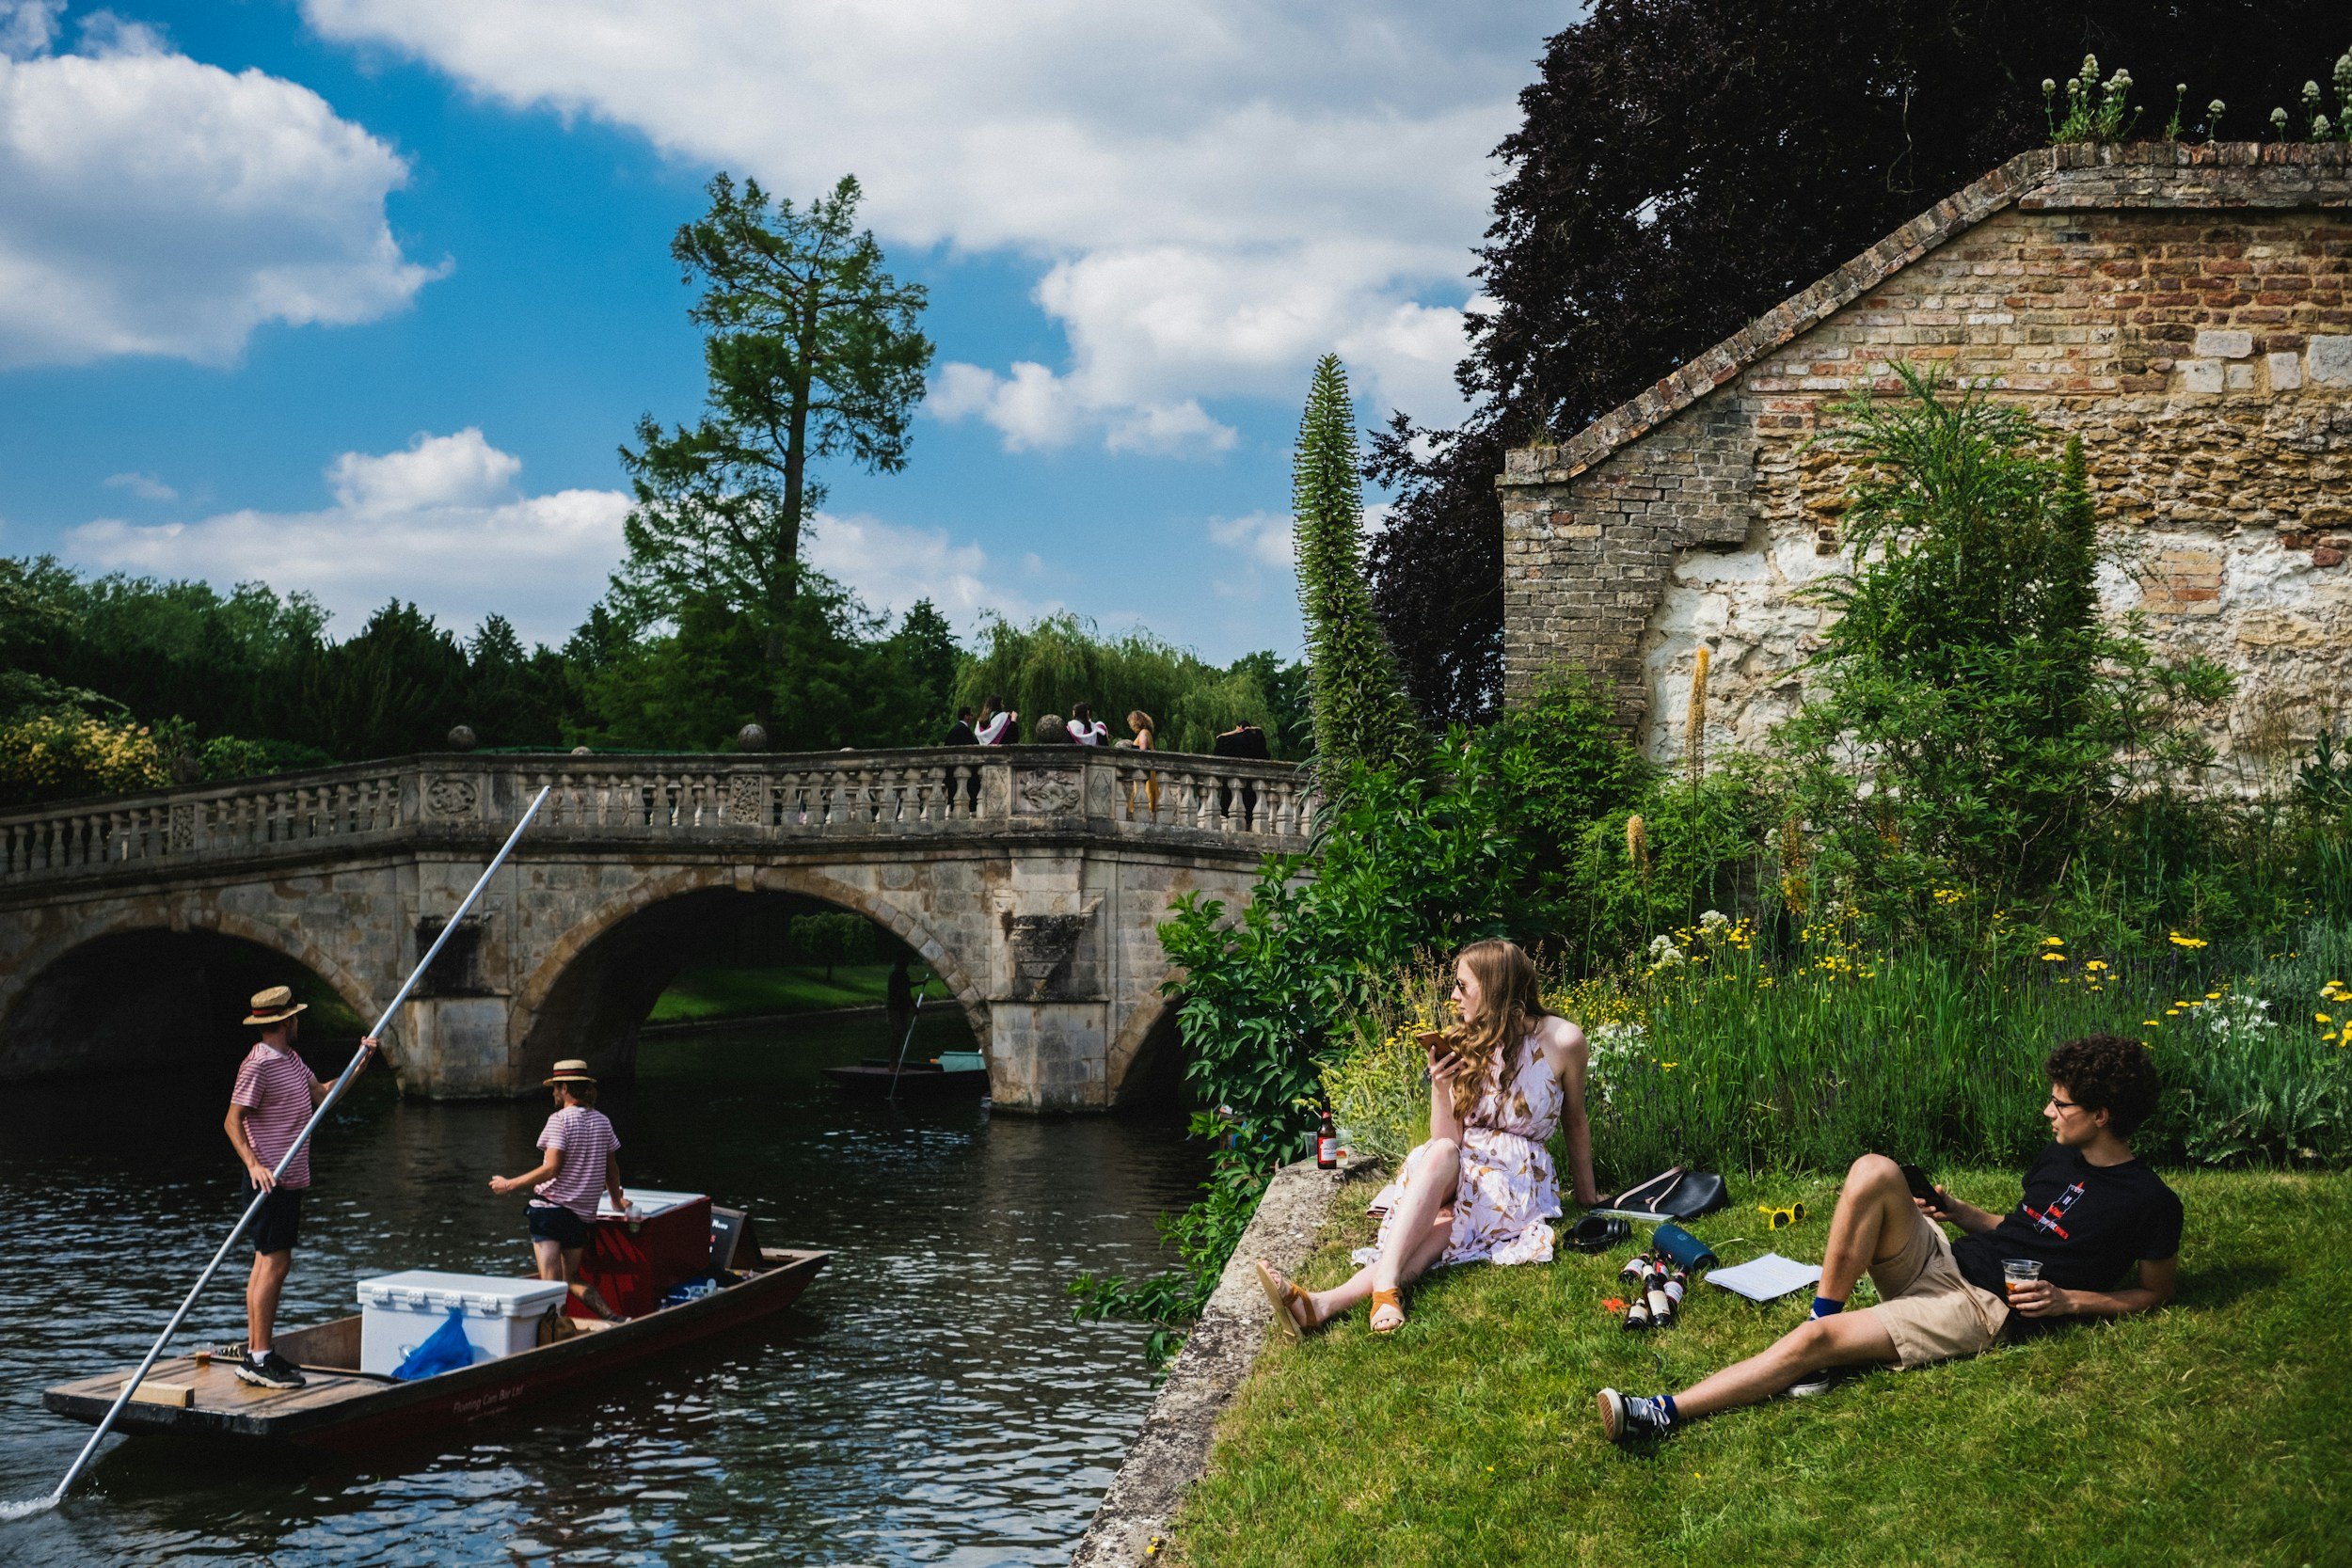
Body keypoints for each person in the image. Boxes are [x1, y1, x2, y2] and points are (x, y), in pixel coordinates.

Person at [1597, 1033, 2182, 1444]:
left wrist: (2069, 1302)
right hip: (1947, 1260)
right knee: (1875, 1169)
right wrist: (1954, 1209)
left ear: (2102, 1114)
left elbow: (2155, 1294)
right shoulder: (2060, 1154)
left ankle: (1660, 1412)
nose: (2047, 1111)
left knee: (1819, 1342)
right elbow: (2022, 1229)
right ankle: (1820, 1318)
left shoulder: (2149, 1202)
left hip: (1981, 1307)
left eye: (2061, 1103)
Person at [1256, 940, 1598, 1336]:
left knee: (1445, 1228)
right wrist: (1441, 1087)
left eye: (1462, 986)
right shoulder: (1466, 1039)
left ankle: (1323, 1304)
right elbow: (1448, 1140)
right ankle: (1377, 1289)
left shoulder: (1563, 1041)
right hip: (1459, 1161)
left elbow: (1575, 1120)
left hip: (1516, 1174)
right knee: (1438, 1155)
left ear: (1495, 987)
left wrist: (1587, 1197)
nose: (1453, 996)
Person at [223, 985, 377, 1389]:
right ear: (283, 1021)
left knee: (267, 1262)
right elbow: (232, 1120)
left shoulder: (290, 1059)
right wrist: (254, 1166)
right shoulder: (256, 1064)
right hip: (270, 1179)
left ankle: (258, 1353)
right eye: (295, 1017)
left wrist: (359, 1064)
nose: (298, 1022)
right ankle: (258, 1357)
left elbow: (323, 1095)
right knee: (274, 1264)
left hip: (289, 1177)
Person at [488, 1060, 631, 1322]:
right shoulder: (603, 1122)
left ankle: (557, 1336)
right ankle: (613, 1317)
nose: (553, 1093)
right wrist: (617, 1202)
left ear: (564, 1088)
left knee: (550, 1288)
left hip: (549, 1213)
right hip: (580, 1218)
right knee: (572, 1278)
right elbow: (612, 1171)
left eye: (554, 1088)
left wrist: (509, 1184)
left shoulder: (559, 1121)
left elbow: (552, 1168)